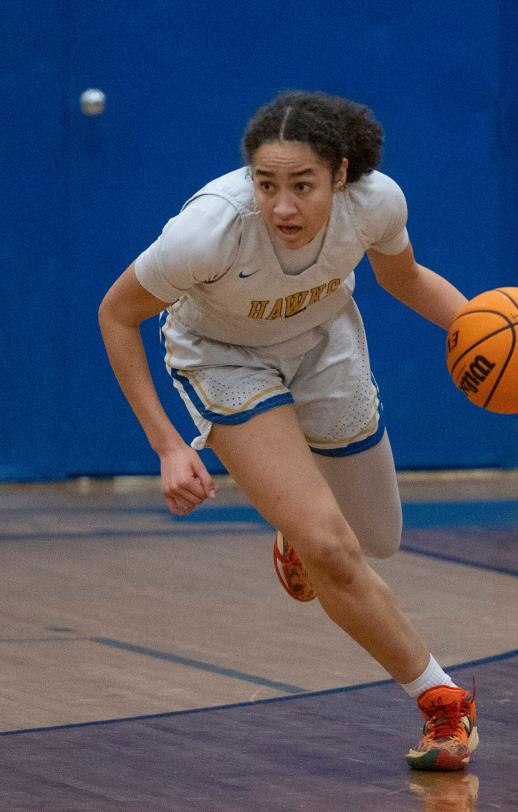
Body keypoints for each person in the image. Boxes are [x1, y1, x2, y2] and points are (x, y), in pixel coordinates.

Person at [98, 90, 478, 771]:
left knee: (377, 540)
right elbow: (116, 315)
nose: (282, 206)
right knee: (332, 549)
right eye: (266, 184)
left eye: (302, 185)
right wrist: (165, 445)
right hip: (223, 357)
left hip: (322, 342)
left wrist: (500, 335)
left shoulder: (376, 202)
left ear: (339, 173)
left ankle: (292, 524)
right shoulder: (206, 233)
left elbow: (408, 279)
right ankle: (442, 702)